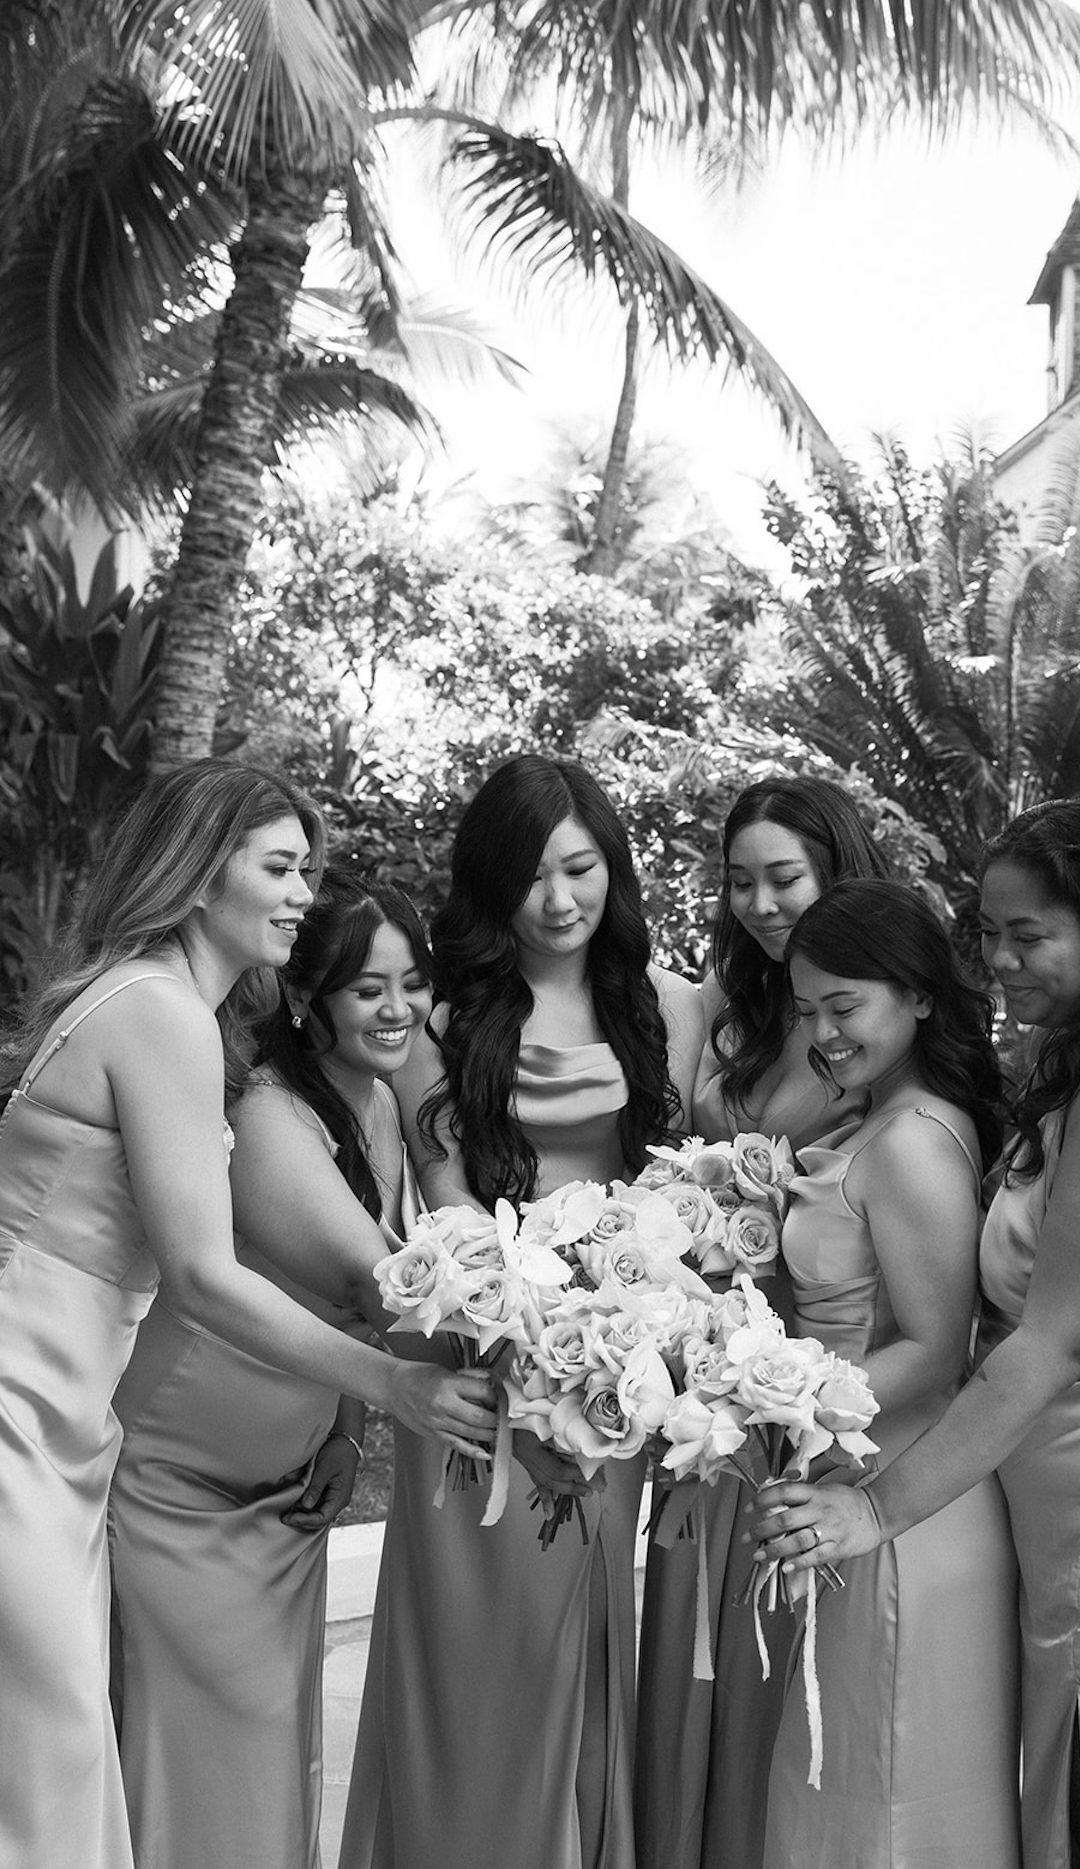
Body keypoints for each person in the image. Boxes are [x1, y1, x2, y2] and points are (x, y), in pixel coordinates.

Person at [755, 801, 1080, 1869]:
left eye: (1025, 934)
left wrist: (873, 1509)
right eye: (986, 933)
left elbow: (1057, 1344)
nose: (995, 960)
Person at [0, 761, 494, 1869]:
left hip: (64, 1417)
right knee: (52, 1749)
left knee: (50, 1746)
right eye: (278, 868)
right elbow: (204, 1276)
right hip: (18, 1410)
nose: (299, 897)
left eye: (304, 872)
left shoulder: (165, 1009)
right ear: (192, 875)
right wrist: (392, 1386)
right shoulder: (160, 1014)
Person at [339, 754, 704, 1869]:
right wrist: (530, 1351)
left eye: (581, 869)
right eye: (532, 877)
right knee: (470, 1648)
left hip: (616, 1367)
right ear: (491, 885)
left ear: (612, 869)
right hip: (481, 1355)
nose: (558, 901)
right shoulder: (441, 1018)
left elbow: (672, 1193)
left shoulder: (668, 1006)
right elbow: (448, 1206)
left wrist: (626, 1342)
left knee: (576, 1637)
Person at [110, 869, 477, 1869]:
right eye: (369, 988)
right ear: (311, 996)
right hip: (179, 1485)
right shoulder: (274, 1114)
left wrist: (345, 1433)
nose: (399, 1010)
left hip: (282, 1486)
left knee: (270, 1755)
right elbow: (383, 1288)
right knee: (195, 1760)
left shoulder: (380, 1104)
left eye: (413, 984)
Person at [635, 775, 891, 1869]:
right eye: (737, 881)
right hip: (707, 1392)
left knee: (771, 1664)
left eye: (782, 877)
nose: (758, 902)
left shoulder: (874, 1027)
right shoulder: (724, 1005)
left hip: (813, 1391)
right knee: (688, 1643)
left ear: (836, 870)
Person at [748, 877, 1020, 1868]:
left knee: (886, 1791)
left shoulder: (909, 1143)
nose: (819, 1029)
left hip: (901, 1490)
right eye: (805, 1006)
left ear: (915, 994)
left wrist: (773, 1390)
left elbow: (935, 1345)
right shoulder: (866, 1119)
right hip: (846, 1472)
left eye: (841, 1005)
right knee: (851, 1774)